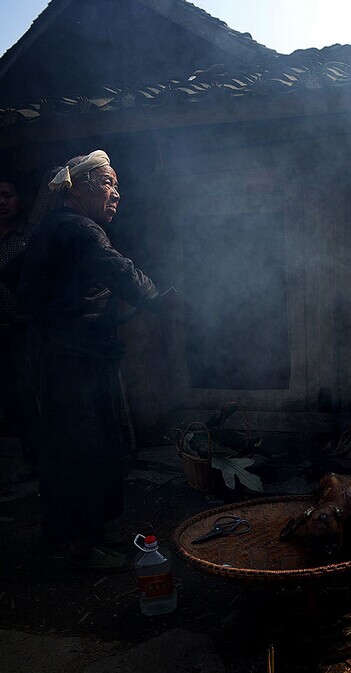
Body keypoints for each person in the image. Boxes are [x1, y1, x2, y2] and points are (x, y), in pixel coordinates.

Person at [18, 150, 166, 572]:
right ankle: (81, 546)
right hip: (73, 362)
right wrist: (159, 298)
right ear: (79, 188)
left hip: (69, 357)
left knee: (87, 446)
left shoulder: (58, 227)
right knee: (80, 450)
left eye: (117, 185)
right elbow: (122, 273)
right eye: (107, 184)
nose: (116, 194)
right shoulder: (80, 229)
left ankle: (89, 533)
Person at [0, 175, 39, 483]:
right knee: (11, 397)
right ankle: (28, 455)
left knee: (33, 395)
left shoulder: (32, 236)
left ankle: (42, 459)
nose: (1, 201)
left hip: (27, 329)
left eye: (7, 195)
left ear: (20, 200)